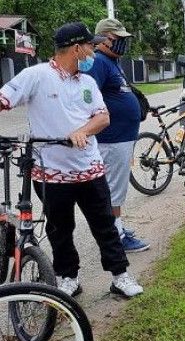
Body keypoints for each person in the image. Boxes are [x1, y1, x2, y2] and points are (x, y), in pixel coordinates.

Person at [0, 22, 144, 298]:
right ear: (76, 48)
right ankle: (68, 277)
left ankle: (120, 275)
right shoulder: (36, 75)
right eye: (90, 45)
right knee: (60, 230)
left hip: (89, 169)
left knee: (104, 225)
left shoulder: (88, 81)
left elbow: (102, 117)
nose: (94, 50)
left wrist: (82, 131)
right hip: (51, 173)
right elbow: (4, 99)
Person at [85, 18, 150, 252]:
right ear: (102, 39)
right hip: (111, 140)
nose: (122, 43)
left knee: (116, 189)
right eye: (117, 39)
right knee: (113, 190)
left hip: (121, 138)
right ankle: (116, 236)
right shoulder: (99, 63)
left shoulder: (113, 62)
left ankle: (117, 227)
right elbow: (88, 99)